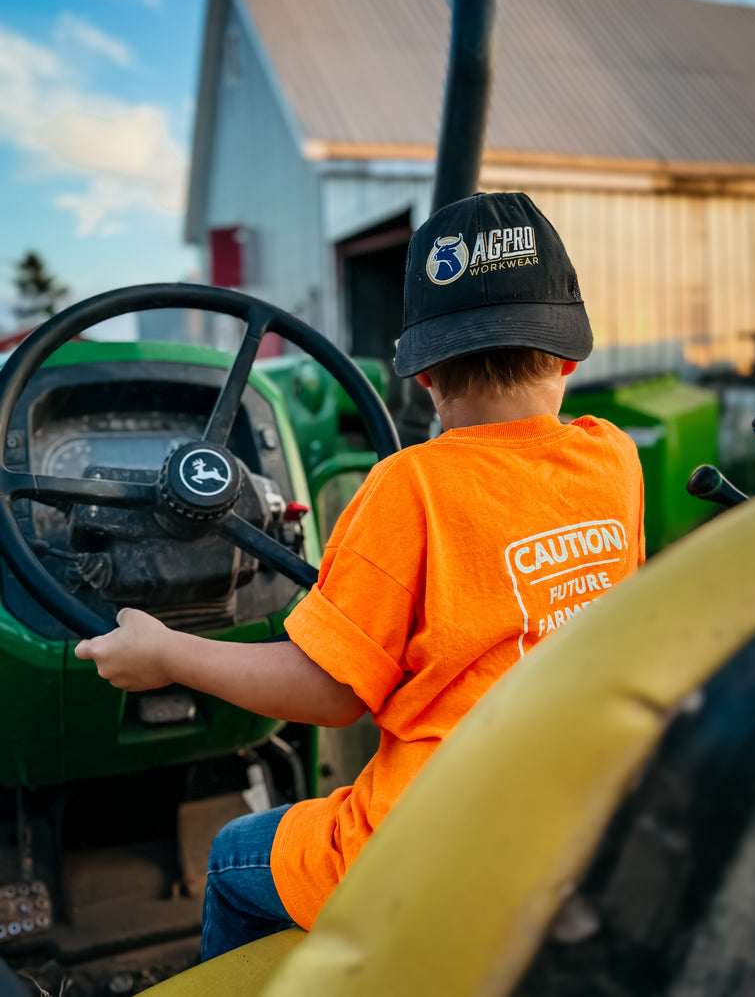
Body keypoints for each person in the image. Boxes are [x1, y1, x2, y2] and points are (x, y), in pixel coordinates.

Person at [75, 191, 645, 960]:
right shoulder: (613, 458)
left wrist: (166, 653)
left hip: (424, 847)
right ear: (571, 355)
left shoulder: (407, 488)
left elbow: (330, 693)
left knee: (234, 853)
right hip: (573, 811)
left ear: (423, 377)